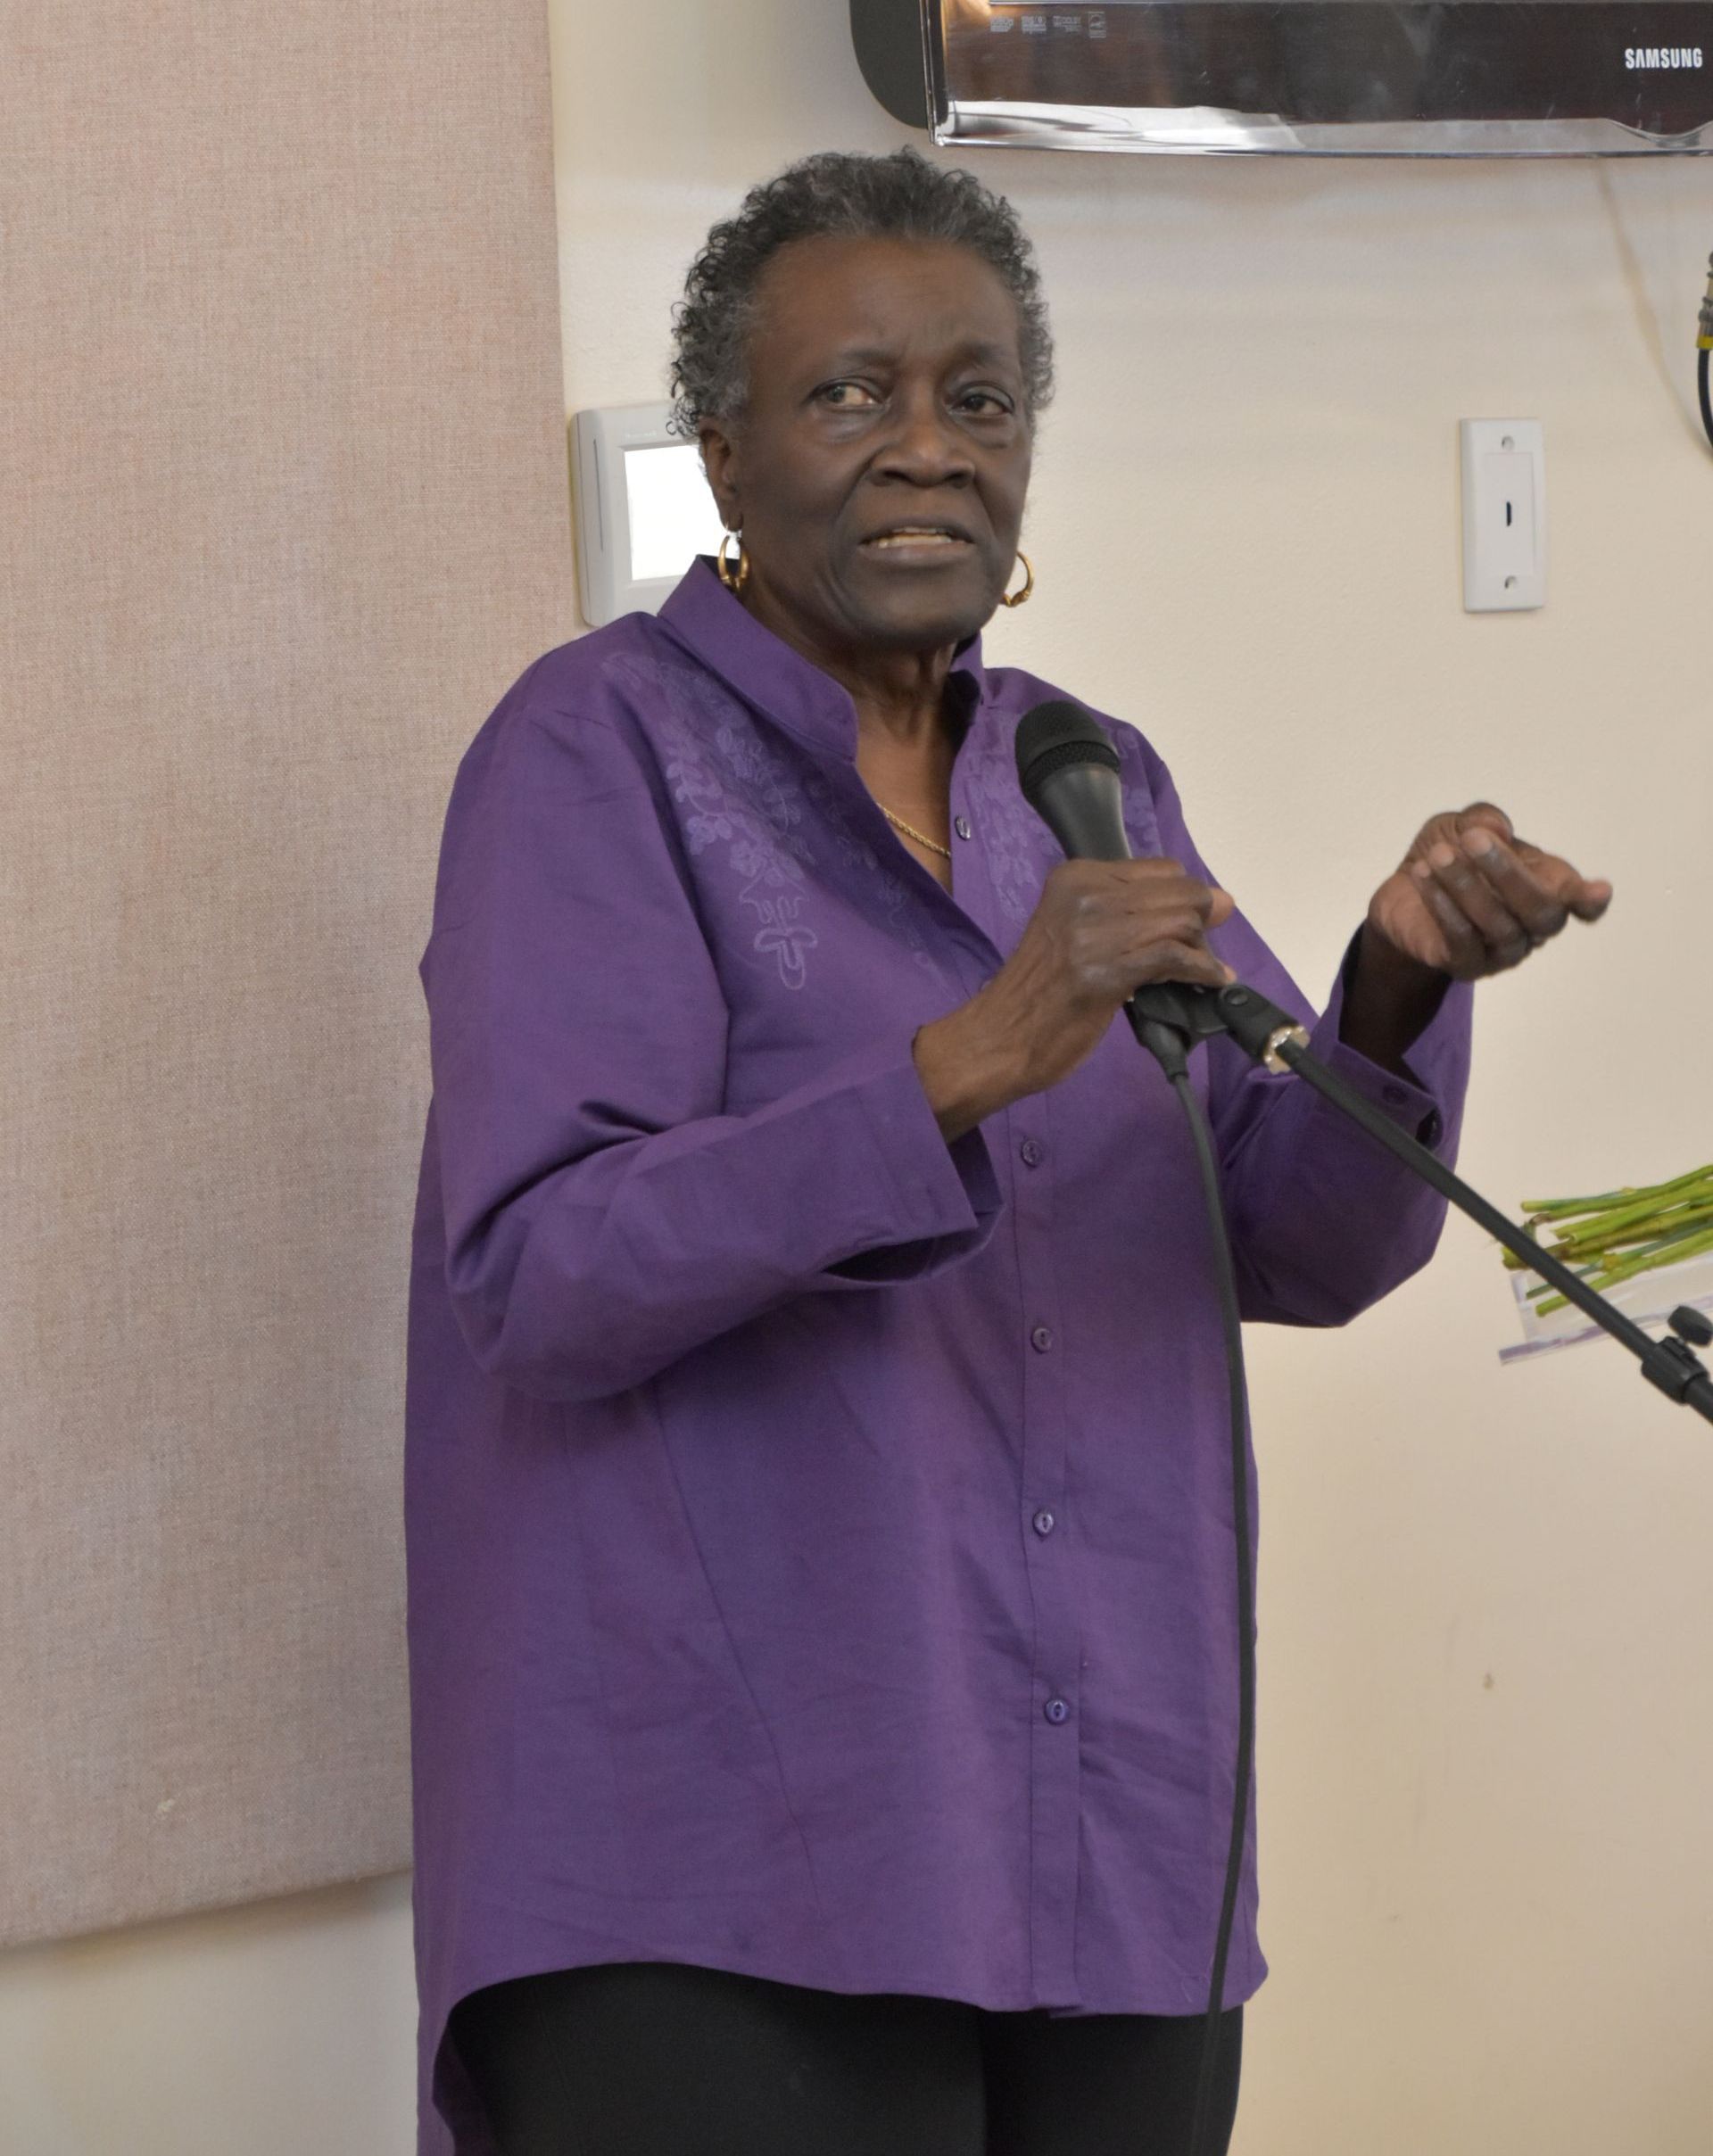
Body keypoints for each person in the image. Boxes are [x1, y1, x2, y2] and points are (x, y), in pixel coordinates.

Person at [405, 149, 1611, 2156]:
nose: (928, 450)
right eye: (849, 395)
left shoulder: (1081, 772)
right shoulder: (589, 752)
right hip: (722, 1877)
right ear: (721, 450)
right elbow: (542, 1270)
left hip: (1106, 1834)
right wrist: (958, 1066)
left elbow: (1287, 1239)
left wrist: (1388, 992)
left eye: (981, 398)